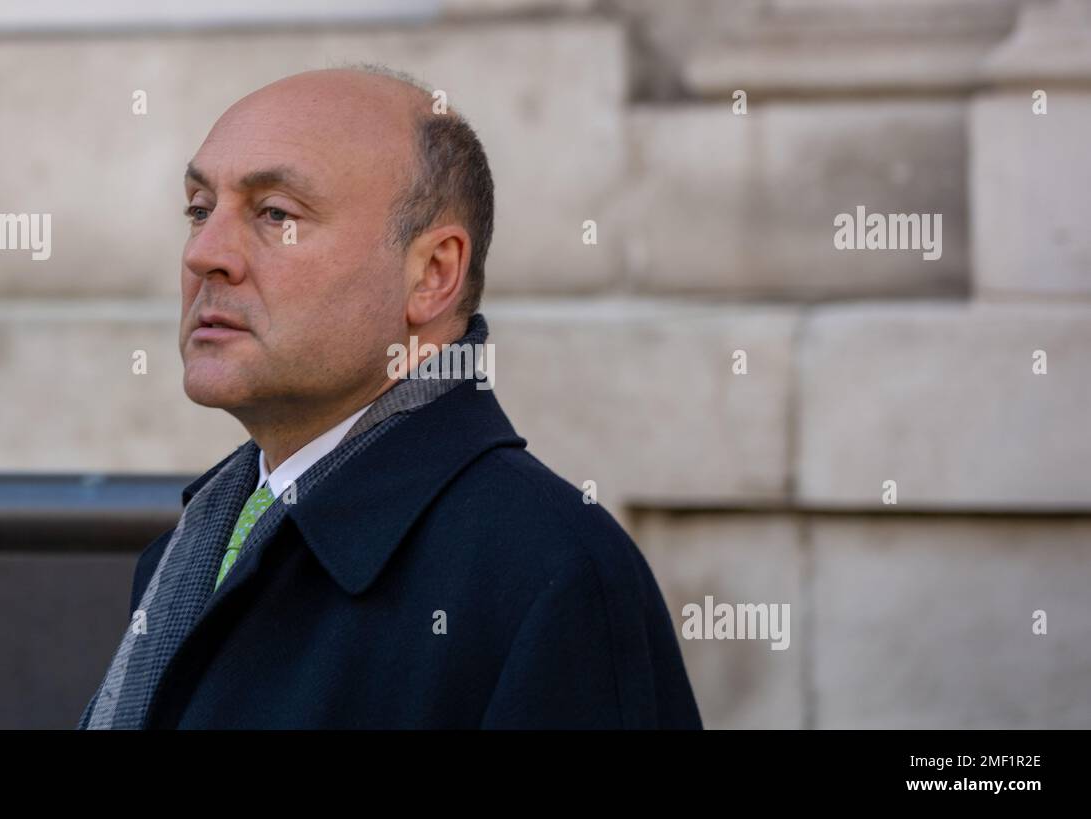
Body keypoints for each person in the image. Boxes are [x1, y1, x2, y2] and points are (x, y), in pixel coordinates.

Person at [79, 65, 701, 729]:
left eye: (275, 215)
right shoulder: (201, 541)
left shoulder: (548, 573)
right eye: (200, 210)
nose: (205, 252)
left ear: (432, 275)